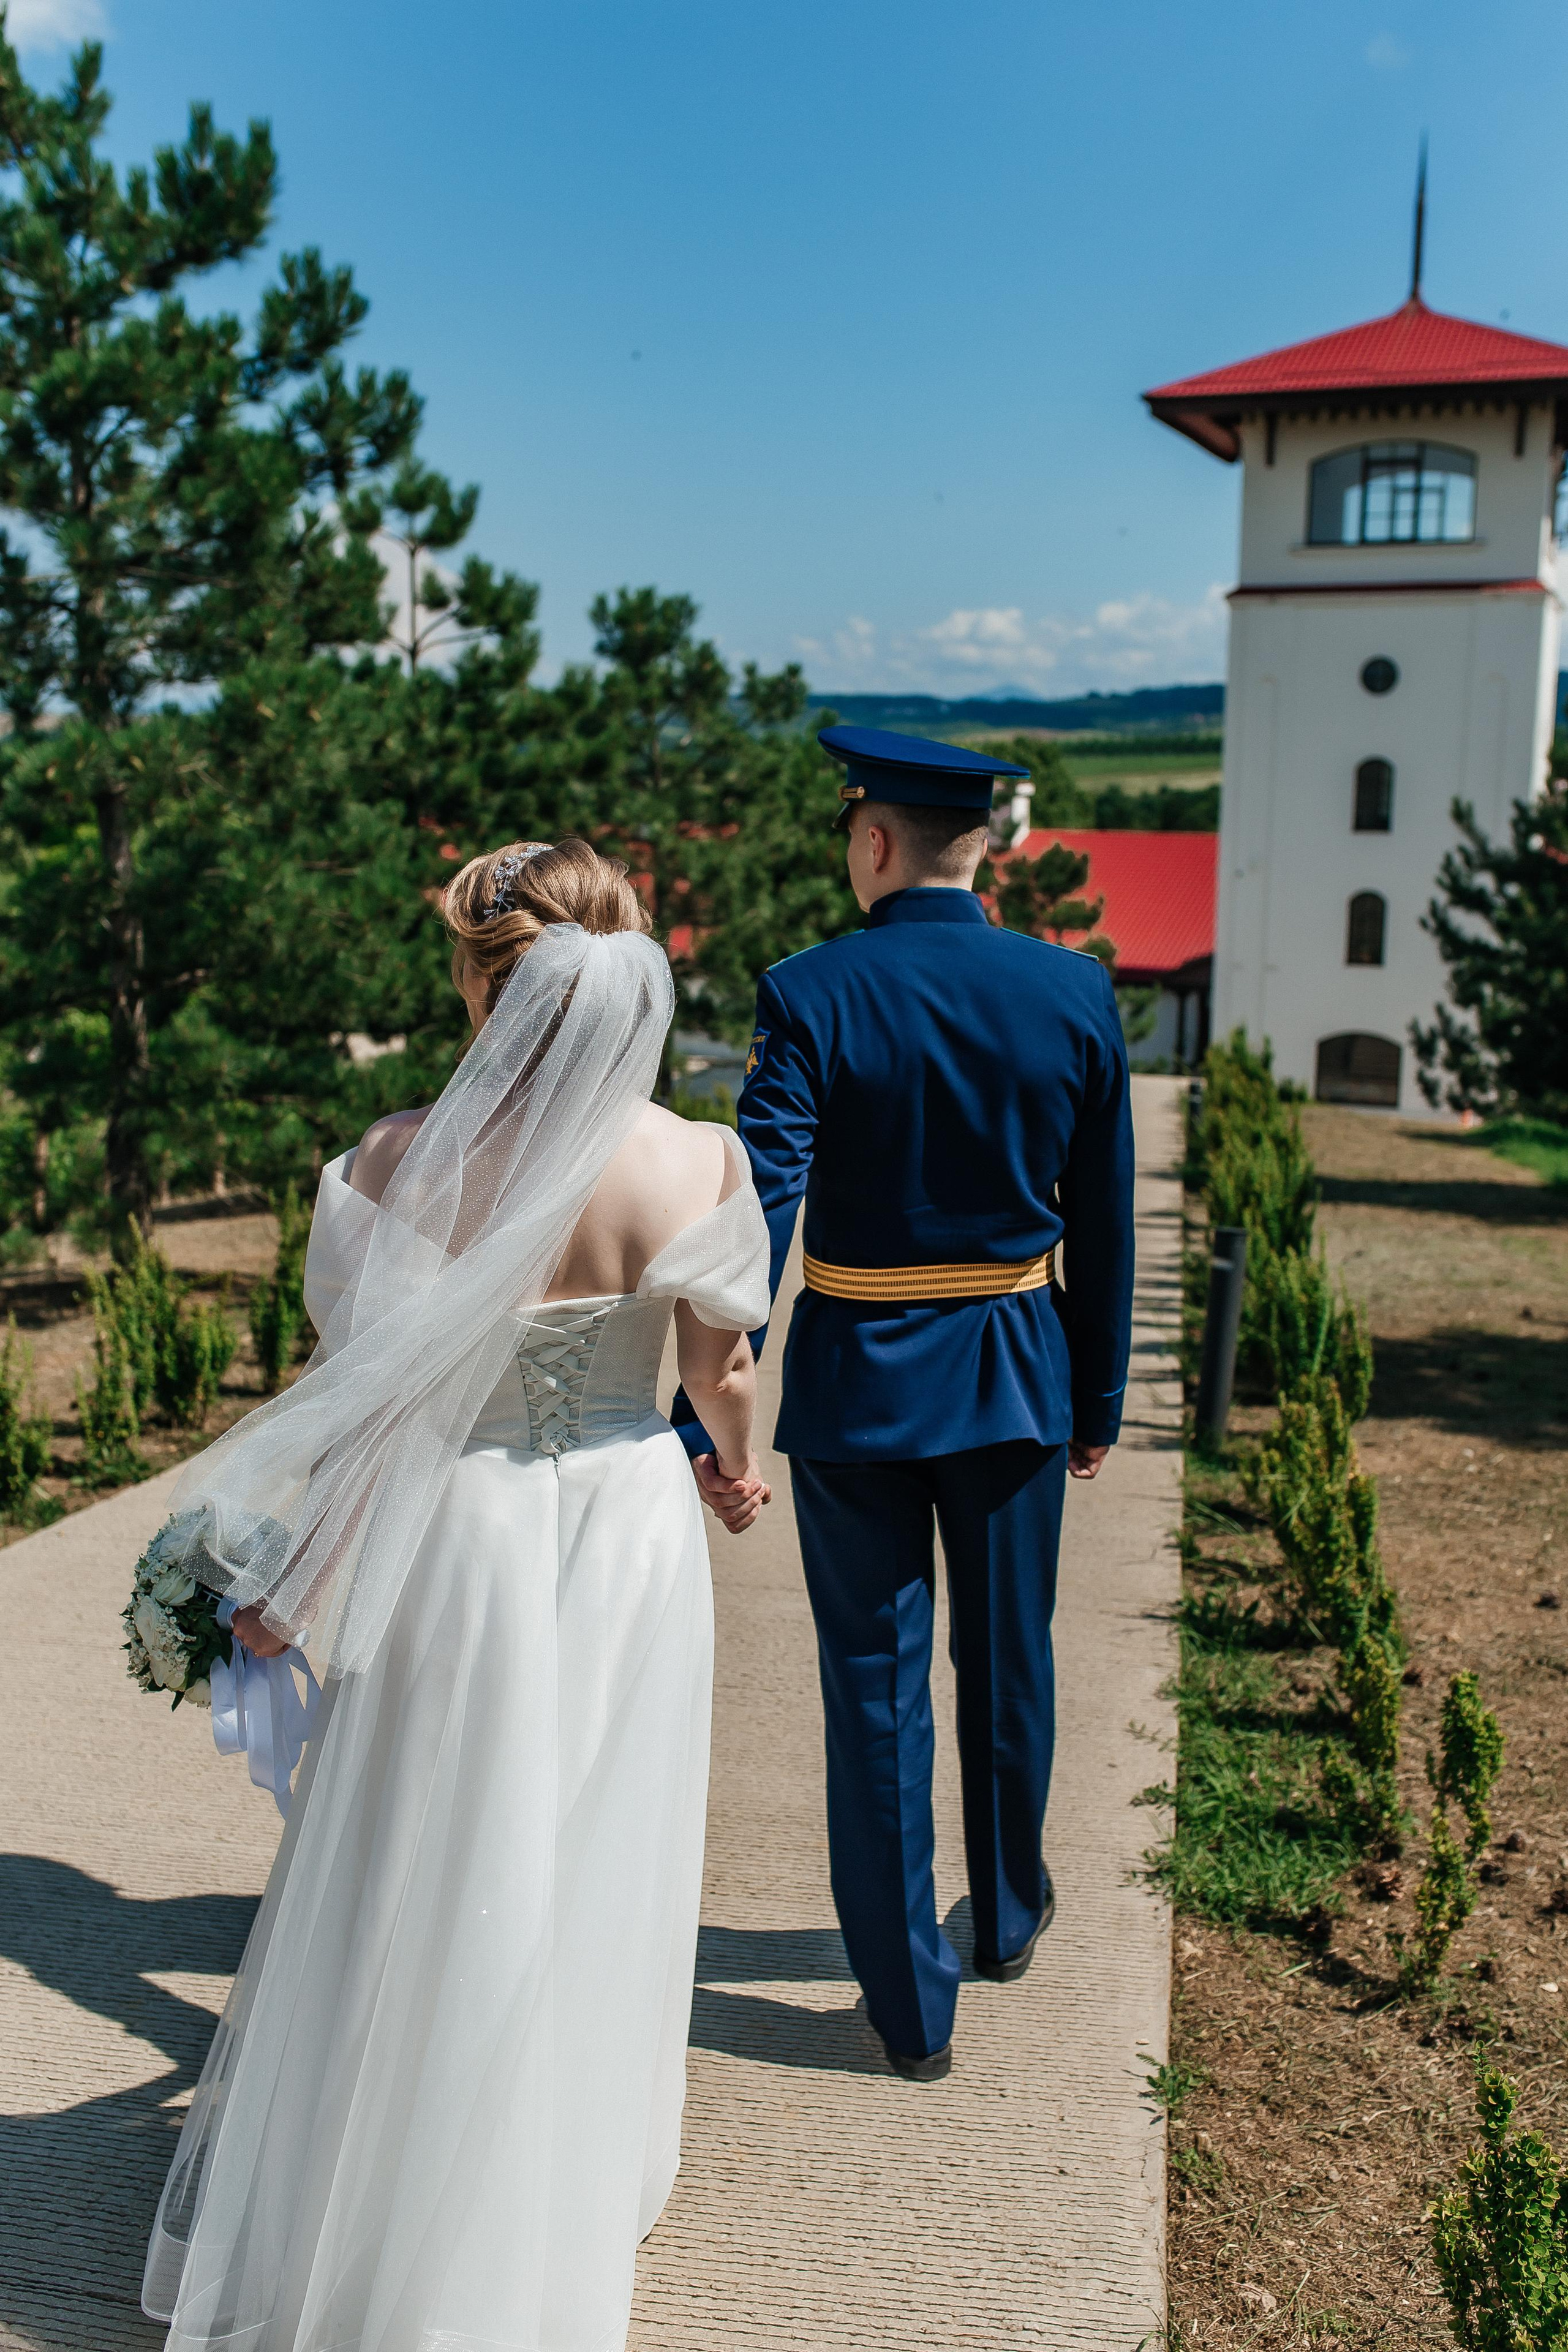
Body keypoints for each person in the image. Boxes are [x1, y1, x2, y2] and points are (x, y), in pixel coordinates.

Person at [141, 839, 771, 2352]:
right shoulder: (694, 1159)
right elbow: (722, 1372)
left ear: (489, 981)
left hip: (459, 1543)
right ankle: (545, 2189)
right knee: (591, 1846)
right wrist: (735, 1475)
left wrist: (287, 1584)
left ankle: (387, 2205)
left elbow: (358, 1405)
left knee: (428, 1850)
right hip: (624, 1531)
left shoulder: (385, 1164)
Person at [678, 727, 1136, 2083]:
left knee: (873, 1694)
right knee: (1008, 1661)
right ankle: (1000, 1921)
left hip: (859, 1386)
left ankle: (906, 2004)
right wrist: (1096, 1393)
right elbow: (1101, 1224)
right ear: (984, 845)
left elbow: (759, 1198)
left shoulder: (811, 992)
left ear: (872, 841)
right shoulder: (1075, 993)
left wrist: (721, 1374)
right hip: (1013, 1376)